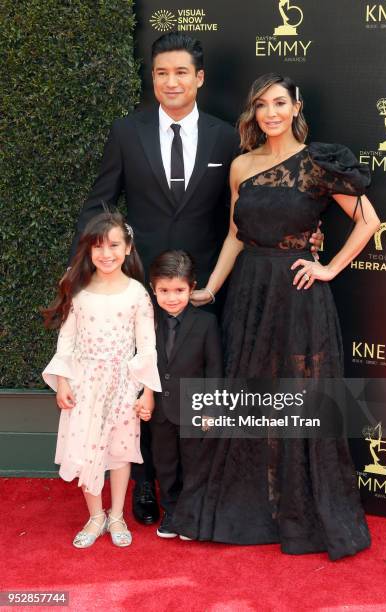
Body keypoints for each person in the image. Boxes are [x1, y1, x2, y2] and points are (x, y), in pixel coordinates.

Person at [68, 31, 323, 525]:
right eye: (161, 72)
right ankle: (145, 486)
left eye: (181, 72)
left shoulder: (227, 137)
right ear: (153, 77)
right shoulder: (127, 132)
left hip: (207, 286)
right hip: (140, 287)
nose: (171, 81)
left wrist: (308, 234)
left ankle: (200, 484)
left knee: (200, 387)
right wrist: (101, 254)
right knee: (141, 386)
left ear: (199, 78)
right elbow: (98, 203)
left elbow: (250, 205)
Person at [172, 74, 381, 560]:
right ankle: (254, 504)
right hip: (248, 293)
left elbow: (369, 221)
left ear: (296, 106)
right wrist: (210, 289)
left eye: (280, 103)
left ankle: (298, 507)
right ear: (254, 111)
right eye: (262, 104)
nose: (271, 113)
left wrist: (328, 267)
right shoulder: (242, 165)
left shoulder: (317, 162)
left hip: (298, 294)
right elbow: (234, 236)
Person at [41, 212, 161, 548]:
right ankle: (95, 517)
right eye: (98, 247)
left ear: (128, 248)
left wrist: (148, 391)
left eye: (113, 245)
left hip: (125, 384)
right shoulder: (78, 290)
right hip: (85, 384)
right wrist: (63, 381)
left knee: (120, 453)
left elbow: (148, 347)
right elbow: (66, 340)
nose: (106, 253)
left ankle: (117, 514)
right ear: (88, 251)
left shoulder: (137, 293)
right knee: (85, 448)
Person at [135, 250, 223, 539]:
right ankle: (171, 512)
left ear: (192, 287)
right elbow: (142, 364)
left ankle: (191, 514)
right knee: (166, 465)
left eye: (179, 290)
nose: (171, 297)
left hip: (195, 410)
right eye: (164, 290)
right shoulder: (147, 324)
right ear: (153, 289)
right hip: (160, 412)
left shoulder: (207, 324)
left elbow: (214, 370)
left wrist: (211, 409)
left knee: (195, 464)